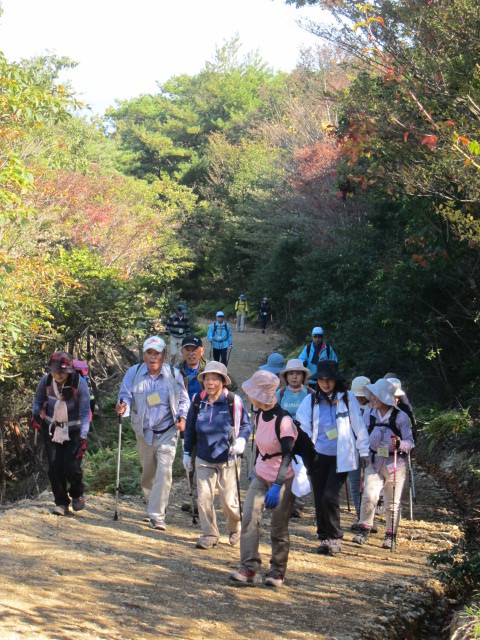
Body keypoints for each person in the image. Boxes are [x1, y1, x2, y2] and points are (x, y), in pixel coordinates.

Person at [230, 370, 298, 588]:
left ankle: (277, 570)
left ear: (261, 395)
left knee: (278, 527)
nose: (249, 395)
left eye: (252, 392)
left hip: (283, 479)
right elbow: (260, 448)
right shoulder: (259, 414)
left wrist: (277, 485)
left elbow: (288, 454)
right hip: (261, 475)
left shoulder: (284, 420)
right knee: (249, 518)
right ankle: (249, 567)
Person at [296, 360, 370, 555]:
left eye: (329, 380)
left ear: (336, 380)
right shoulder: (311, 400)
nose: (326, 384)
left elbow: (358, 425)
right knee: (319, 497)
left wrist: (363, 451)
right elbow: (302, 423)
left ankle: (335, 536)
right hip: (317, 456)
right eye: (322, 380)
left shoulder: (347, 398)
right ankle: (324, 537)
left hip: (341, 456)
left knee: (330, 495)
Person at [116, 336, 190, 530]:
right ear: (143, 354)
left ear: (164, 355)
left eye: (157, 353)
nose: (153, 357)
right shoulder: (134, 372)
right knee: (148, 474)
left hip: (168, 430)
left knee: (164, 471)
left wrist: (182, 415)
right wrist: (123, 405)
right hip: (144, 431)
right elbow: (125, 394)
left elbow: (184, 400)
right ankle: (151, 505)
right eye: (149, 353)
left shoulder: (174, 375)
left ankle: (157, 515)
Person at [183, 361, 251, 549]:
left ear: (223, 381)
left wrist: (242, 441)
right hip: (204, 458)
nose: (210, 382)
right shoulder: (198, 401)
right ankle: (210, 534)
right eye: (207, 378)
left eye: (215, 379)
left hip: (228, 458)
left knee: (228, 500)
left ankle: (235, 527)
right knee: (204, 498)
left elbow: (246, 425)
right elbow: (189, 429)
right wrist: (187, 453)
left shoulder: (232, 401)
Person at [352, 378, 414, 549]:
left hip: (395, 464)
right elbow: (362, 435)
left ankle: (390, 535)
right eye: (372, 395)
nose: (372, 398)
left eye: (376, 396)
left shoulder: (401, 417)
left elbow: (410, 442)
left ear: (385, 398)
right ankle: (364, 528)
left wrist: (400, 444)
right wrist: (361, 451)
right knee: (369, 494)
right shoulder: (369, 414)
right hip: (373, 461)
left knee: (392, 503)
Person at [31, 351, 91, 516]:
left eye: (61, 372)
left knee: (72, 467)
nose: (57, 375)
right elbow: (37, 400)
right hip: (51, 428)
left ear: (69, 371)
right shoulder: (46, 381)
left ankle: (77, 493)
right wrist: (36, 414)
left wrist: (84, 436)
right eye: (54, 371)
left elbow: (85, 412)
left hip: (75, 430)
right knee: (54, 468)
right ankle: (61, 503)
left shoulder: (79, 384)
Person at [276, 358, 314, 518]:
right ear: (286, 377)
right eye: (291, 374)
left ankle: (298, 504)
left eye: (298, 374)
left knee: (302, 469)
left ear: (303, 376)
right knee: (284, 467)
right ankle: (284, 501)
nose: (294, 377)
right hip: (284, 436)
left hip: (304, 437)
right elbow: (275, 413)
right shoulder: (281, 393)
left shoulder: (310, 393)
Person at [178, 335, 208, 515]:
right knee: (188, 462)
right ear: (182, 352)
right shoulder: (175, 371)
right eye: (187, 350)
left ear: (202, 351)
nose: (191, 353)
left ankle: (200, 502)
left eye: (195, 349)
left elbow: (230, 384)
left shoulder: (209, 369)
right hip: (185, 421)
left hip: (205, 420)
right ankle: (193, 497)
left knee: (201, 460)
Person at [348, 376, 372, 528]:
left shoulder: (376, 407)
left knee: (370, 487)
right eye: (358, 396)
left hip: (371, 452)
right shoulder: (348, 405)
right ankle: (360, 516)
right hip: (351, 451)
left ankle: (369, 517)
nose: (360, 399)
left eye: (363, 396)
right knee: (355, 485)